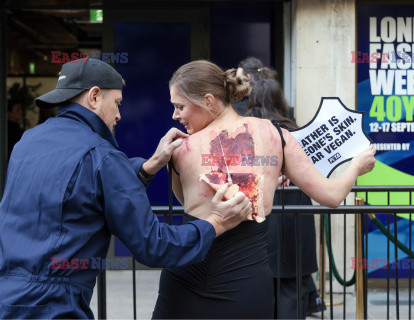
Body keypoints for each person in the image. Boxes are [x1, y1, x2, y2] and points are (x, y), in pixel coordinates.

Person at [0, 58, 252, 319]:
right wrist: (217, 222)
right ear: (95, 97)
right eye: (117, 103)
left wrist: (150, 165)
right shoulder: (103, 156)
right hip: (54, 307)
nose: (119, 115)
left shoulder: (26, 143)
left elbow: (80, 187)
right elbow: (155, 245)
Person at [152, 60, 376, 319]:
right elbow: (333, 196)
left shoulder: (179, 149)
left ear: (209, 101)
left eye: (180, 107)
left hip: (184, 278)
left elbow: (187, 203)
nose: (175, 116)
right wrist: (356, 167)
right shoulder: (276, 137)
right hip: (247, 284)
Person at [246, 78, 325, 318]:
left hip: (260, 219)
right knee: (292, 288)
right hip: (295, 217)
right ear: (280, 101)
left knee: (259, 290)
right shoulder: (295, 134)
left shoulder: (246, 133)